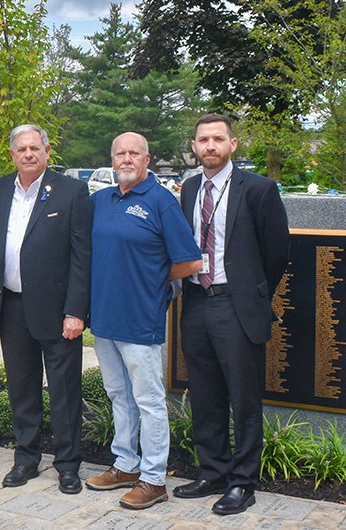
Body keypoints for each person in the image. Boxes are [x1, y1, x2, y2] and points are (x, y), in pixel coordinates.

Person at [173, 114, 289, 515]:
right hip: (196, 303)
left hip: (235, 305)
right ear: (194, 146)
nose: (210, 146)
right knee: (204, 394)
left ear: (233, 144)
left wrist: (250, 294)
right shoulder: (188, 189)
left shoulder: (259, 189)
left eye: (217, 139)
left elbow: (276, 253)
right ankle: (212, 470)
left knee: (243, 397)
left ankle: (243, 482)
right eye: (203, 139)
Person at [84, 132, 202, 510]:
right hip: (104, 318)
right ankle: (126, 464)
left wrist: (153, 281)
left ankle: (154, 479)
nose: (127, 158)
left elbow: (189, 261)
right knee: (118, 394)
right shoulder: (100, 201)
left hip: (141, 319)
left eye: (134, 152)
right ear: (112, 158)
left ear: (147, 159)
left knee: (148, 400)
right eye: (120, 152)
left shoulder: (161, 202)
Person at [0, 124, 91, 494]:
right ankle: (26, 458)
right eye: (21, 149)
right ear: (12, 154)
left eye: (34, 148)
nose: (28, 154)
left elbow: (81, 257)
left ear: (47, 150)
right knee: (22, 389)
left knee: (64, 391)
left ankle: (68, 464)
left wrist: (76, 310)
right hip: (10, 307)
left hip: (59, 314)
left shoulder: (71, 191)